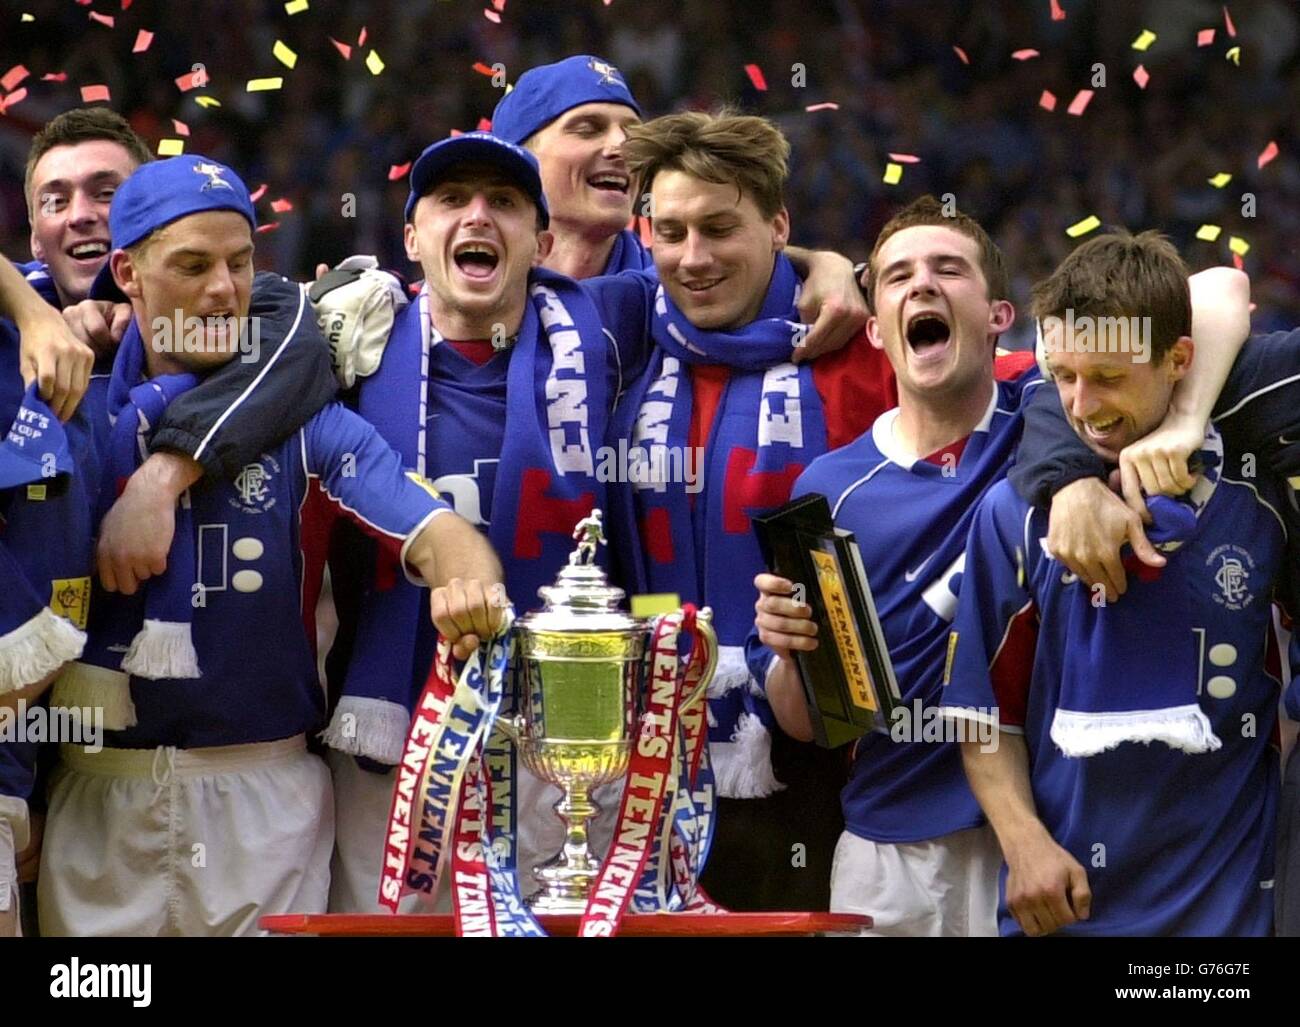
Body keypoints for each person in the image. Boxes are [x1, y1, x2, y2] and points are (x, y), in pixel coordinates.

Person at [6, 154, 504, 937]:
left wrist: (465, 582)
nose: (222, 290)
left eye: (240, 263)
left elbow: (439, 533)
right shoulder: (76, 409)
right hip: (92, 798)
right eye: (193, 265)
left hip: (266, 800)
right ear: (127, 272)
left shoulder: (308, 420)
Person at [752, 199, 1250, 934]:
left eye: (948, 269)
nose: (921, 285)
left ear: (1000, 318)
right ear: (873, 326)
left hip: (1038, 838)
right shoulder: (828, 487)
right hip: (889, 844)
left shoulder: (1054, 416)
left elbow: (1215, 292)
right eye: (896, 276)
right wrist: (792, 656)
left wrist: (1155, 435)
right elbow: (813, 725)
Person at [942, 230, 1297, 936]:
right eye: (1064, 376)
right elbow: (983, 715)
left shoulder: (1260, 505)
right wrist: (1023, 841)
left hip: (1224, 922)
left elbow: (1225, 289)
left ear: (1179, 362)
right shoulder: (1013, 511)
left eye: (1108, 376)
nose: (1082, 403)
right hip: (1064, 908)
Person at [609, 110, 897, 911]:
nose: (693, 258)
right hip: (644, 758)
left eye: (719, 228)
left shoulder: (858, 354)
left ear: (779, 226)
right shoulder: (622, 341)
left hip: (826, 760)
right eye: (670, 232)